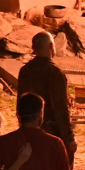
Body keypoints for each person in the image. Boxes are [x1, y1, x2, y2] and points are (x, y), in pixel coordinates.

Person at [17, 33, 76, 163]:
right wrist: (69, 137)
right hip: (51, 132)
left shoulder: (24, 71)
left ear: (33, 48)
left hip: (28, 132)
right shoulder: (54, 73)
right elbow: (60, 107)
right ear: (51, 46)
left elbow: (20, 104)